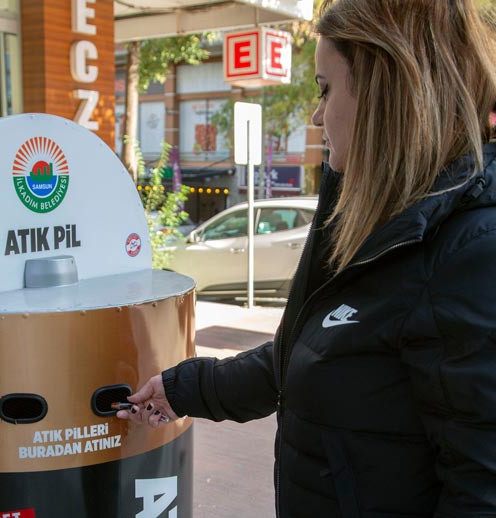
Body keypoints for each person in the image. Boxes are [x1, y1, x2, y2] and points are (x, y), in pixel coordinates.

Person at [118, 0, 496, 515]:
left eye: (325, 88)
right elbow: (299, 358)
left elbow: (481, 490)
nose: (316, 115)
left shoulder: (470, 252)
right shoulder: (381, 224)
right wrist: (181, 388)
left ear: (386, 92)